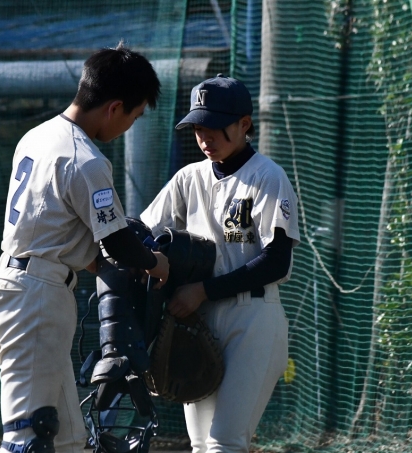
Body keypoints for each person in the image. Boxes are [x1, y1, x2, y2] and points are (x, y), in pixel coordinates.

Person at [0, 42, 170, 453]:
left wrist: (99, 264)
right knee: (28, 438)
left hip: (22, 287)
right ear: (114, 108)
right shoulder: (86, 158)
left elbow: (52, 226)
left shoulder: (37, 136)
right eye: (134, 116)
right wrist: (156, 264)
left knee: (67, 438)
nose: (130, 126)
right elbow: (119, 243)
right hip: (34, 300)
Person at [140, 74, 300, 453]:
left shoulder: (268, 176)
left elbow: (276, 261)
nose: (205, 137)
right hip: (197, 318)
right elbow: (144, 230)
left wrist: (203, 290)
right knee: (201, 446)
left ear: (244, 124)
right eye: (198, 127)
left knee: (224, 442)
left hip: (252, 318)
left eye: (214, 126)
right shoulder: (188, 178)